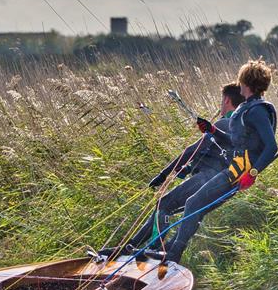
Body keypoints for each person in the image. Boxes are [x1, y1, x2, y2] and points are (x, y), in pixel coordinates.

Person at [154, 59, 278, 263]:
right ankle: (170, 249)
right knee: (194, 203)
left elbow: (271, 146)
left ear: (244, 81)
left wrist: (253, 174)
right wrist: (212, 130)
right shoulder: (247, 108)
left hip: (242, 170)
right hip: (236, 167)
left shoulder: (257, 110)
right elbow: (234, 141)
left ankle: (174, 253)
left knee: (193, 202)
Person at [100, 83, 244, 260]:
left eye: (222, 100)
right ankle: (156, 249)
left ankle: (146, 248)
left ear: (227, 100)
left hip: (208, 177)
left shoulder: (224, 123)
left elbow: (192, 150)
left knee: (164, 204)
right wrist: (189, 168)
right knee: (194, 212)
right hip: (227, 184)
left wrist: (164, 174)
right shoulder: (240, 127)